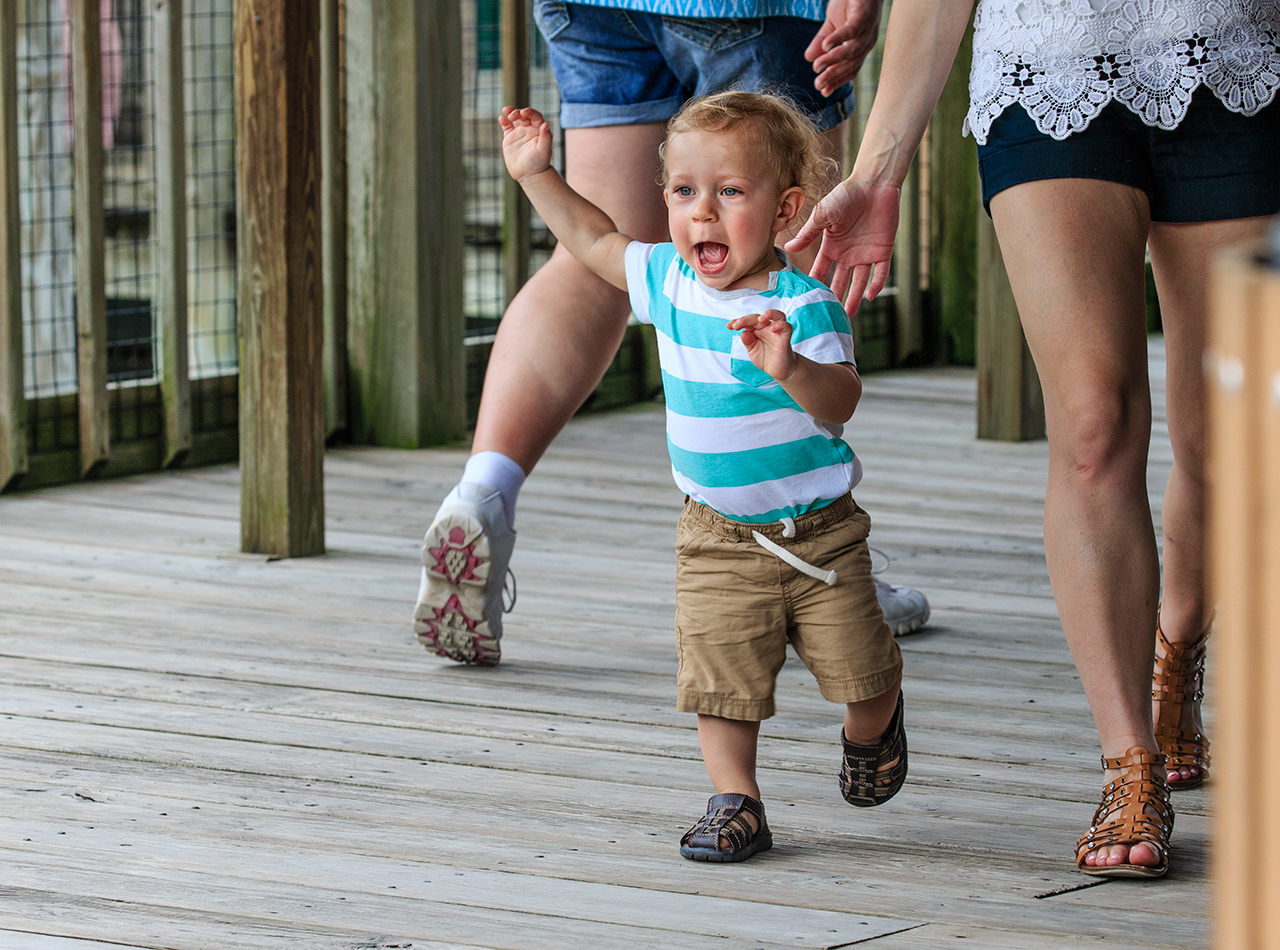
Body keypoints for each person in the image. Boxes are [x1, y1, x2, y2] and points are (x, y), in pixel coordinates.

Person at [786, 0, 1280, 877]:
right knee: (1094, 425)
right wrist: (880, 168)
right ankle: (1130, 765)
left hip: (1235, 64)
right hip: (1046, 66)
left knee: (1228, 437)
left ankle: (1177, 643)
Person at [414, 0, 932, 668]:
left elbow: (598, 238)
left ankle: (483, 492)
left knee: (590, 265)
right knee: (788, 252)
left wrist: (535, 172)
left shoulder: (657, 269)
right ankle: (822, 568)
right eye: (680, 194)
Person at [500, 90, 908, 861]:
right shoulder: (670, 283)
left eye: (729, 192)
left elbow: (843, 402)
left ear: (786, 210)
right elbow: (591, 239)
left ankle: (875, 726)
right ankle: (736, 801)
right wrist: (536, 174)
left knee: (861, 673)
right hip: (716, 535)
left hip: (818, 536)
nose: (703, 215)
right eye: (685, 193)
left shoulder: (804, 307)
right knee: (720, 680)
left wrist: (789, 366)